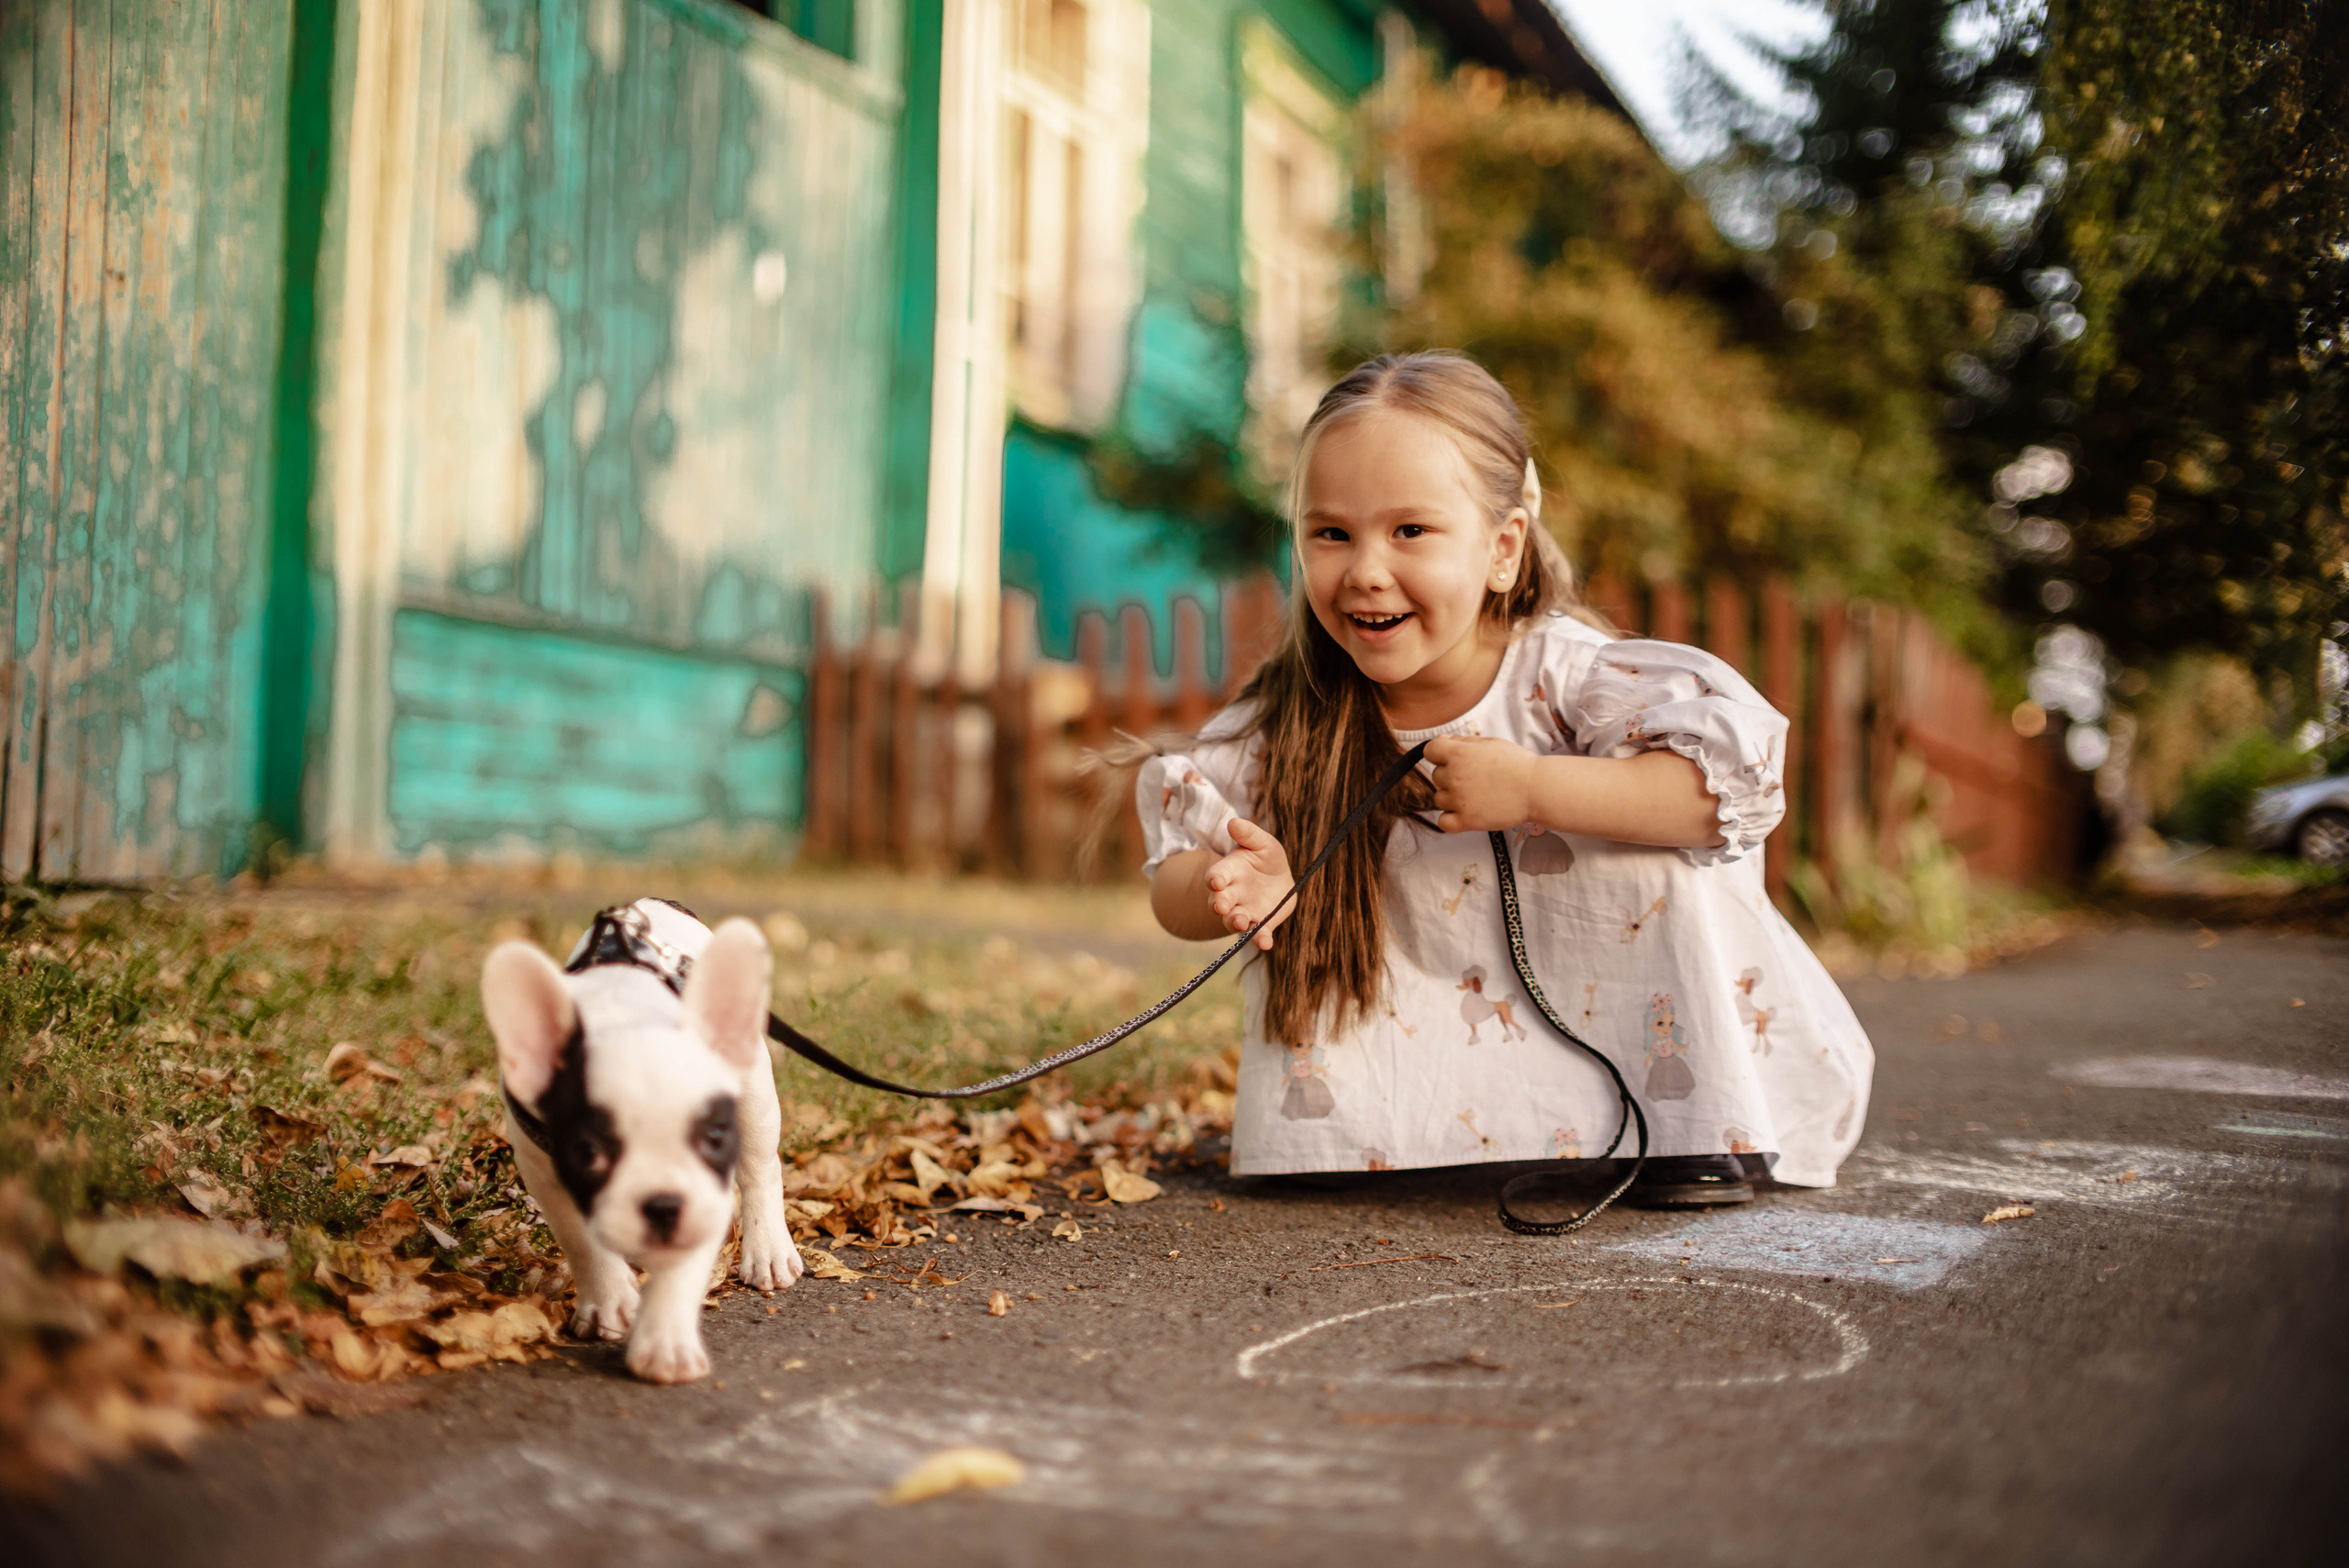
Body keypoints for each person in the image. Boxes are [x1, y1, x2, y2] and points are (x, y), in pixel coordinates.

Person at [1138, 351, 1873, 1207]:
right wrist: (1232, 886)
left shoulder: (1570, 678)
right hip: (1406, 1053)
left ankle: (1689, 1128)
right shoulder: (1296, 716)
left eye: (1409, 531)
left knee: (1646, 827)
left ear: (1501, 548)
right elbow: (1175, 877)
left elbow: (1721, 799)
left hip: (1619, 1027)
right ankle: (1370, 1135)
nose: (1367, 568)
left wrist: (1535, 787)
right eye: (1331, 533)